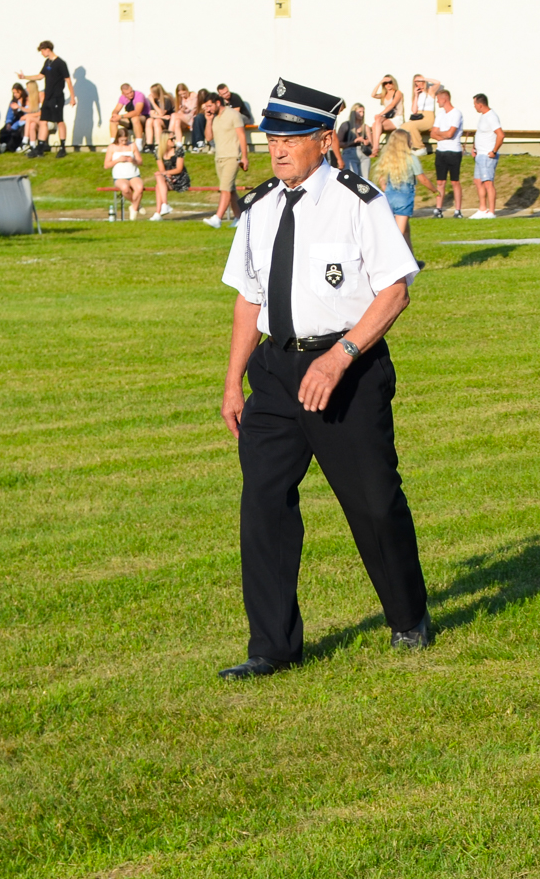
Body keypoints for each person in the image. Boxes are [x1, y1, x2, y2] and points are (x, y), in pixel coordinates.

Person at [215, 79, 429, 679]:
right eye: (272, 139)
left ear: (323, 140)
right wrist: (233, 383)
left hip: (347, 371)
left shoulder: (358, 201)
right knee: (263, 505)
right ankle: (272, 647)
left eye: (291, 139)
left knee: (373, 502)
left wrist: (340, 356)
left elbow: (395, 291)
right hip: (275, 375)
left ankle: (408, 617)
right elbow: (248, 299)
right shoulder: (259, 207)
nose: (278, 150)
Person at [203, 92, 250, 228]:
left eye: (210, 106)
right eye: (206, 106)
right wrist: (208, 120)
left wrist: (244, 157)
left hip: (232, 157)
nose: (208, 109)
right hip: (219, 158)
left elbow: (242, 136)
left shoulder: (233, 115)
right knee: (230, 190)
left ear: (218, 103)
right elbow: (208, 138)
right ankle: (240, 218)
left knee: (225, 189)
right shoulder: (214, 117)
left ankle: (217, 218)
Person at [19, 41, 73, 158]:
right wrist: (25, 77)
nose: (42, 53)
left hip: (57, 97)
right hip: (47, 97)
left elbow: (68, 80)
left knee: (59, 121)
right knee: (43, 121)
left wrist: (72, 97)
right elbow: (40, 76)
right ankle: (40, 148)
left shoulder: (60, 63)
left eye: (42, 51)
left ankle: (62, 148)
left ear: (48, 49)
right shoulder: (47, 62)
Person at [374, 129, 422, 252]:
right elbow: (422, 177)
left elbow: (381, 177)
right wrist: (434, 190)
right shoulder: (411, 158)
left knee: (406, 230)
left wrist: (386, 189)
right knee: (398, 234)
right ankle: (391, 257)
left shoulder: (388, 158)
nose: (412, 142)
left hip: (389, 195)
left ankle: (411, 258)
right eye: (410, 140)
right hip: (404, 198)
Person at [430, 87, 465, 217]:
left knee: (455, 181)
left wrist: (440, 133)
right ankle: (439, 209)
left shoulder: (456, 113)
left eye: (438, 99)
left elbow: (451, 134)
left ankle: (458, 210)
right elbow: (433, 133)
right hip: (441, 151)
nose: (437, 102)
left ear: (444, 99)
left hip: (453, 151)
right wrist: (441, 135)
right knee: (440, 182)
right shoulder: (440, 115)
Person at [470, 93, 503, 218]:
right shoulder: (483, 116)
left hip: (487, 156)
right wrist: (474, 148)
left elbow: (500, 135)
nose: (474, 107)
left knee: (488, 183)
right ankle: (482, 209)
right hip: (480, 154)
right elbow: (480, 133)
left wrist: (494, 151)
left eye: (475, 104)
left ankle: (492, 211)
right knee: (478, 181)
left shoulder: (491, 116)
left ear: (480, 104)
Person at [104, 127, 146, 219]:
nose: (124, 142)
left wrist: (133, 160)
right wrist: (118, 160)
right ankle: (136, 205)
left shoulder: (132, 145)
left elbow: (140, 161)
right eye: (122, 140)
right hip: (119, 176)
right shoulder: (112, 147)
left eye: (126, 140)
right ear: (118, 138)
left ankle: (133, 211)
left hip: (133, 174)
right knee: (125, 188)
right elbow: (106, 165)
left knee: (139, 188)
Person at [153, 134, 186, 219]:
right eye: (172, 139)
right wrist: (167, 175)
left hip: (179, 178)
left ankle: (159, 211)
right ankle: (163, 206)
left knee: (158, 184)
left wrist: (166, 173)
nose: (174, 140)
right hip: (167, 178)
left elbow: (179, 169)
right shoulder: (158, 152)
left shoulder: (178, 151)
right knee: (159, 180)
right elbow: (161, 170)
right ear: (165, 141)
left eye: (174, 138)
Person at [371, 76, 404, 150]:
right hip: (388, 118)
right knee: (375, 124)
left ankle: (375, 147)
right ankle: (376, 146)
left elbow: (392, 105)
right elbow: (373, 95)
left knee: (377, 122)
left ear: (393, 83)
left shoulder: (397, 93)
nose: (388, 85)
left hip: (397, 118)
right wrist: (380, 82)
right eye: (385, 83)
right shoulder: (384, 94)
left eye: (390, 82)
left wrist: (380, 114)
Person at [337, 104, 367, 175]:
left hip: (363, 153)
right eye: (359, 112)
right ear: (353, 112)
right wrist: (353, 141)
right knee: (352, 177)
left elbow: (371, 143)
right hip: (349, 152)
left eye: (363, 112)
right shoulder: (346, 125)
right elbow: (339, 143)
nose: (362, 114)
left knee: (365, 179)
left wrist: (366, 141)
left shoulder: (364, 126)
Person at [1, 82, 28, 154]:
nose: (15, 94)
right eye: (14, 93)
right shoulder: (13, 102)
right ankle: (0, 144)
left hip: (24, 121)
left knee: (17, 133)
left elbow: (29, 111)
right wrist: (8, 123)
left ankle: (8, 146)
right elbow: (9, 114)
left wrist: (19, 107)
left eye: (16, 92)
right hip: (16, 121)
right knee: (5, 130)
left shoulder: (27, 100)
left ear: (21, 91)